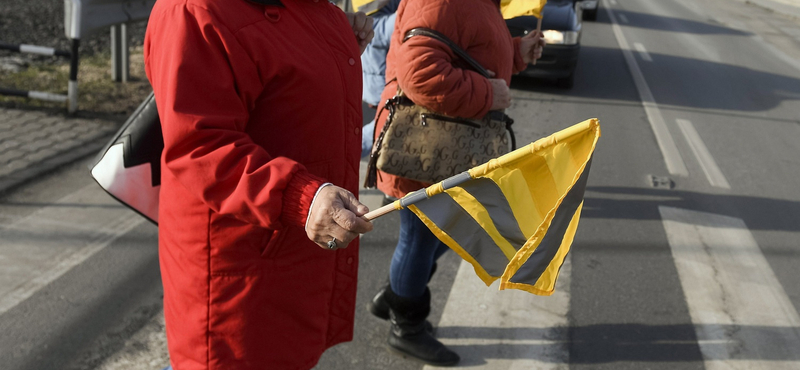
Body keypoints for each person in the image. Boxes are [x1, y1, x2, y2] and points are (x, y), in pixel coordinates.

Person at [143, 0, 375, 368]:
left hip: (288, 254)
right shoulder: (194, 11)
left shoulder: (309, 9)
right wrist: (301, 196)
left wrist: (324, 42)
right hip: (240, 262)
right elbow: (201, 146)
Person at [366, 0, 545, 365]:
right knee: (421, 237)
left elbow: (467, 48)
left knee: (444, 232)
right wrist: (488, 95)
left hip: (446, 147)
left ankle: (398, 295)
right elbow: (420, 74)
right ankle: (406, 325)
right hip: (424, 148)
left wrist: (516, 51)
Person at [359, 0, 401, 158]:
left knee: (383, 133)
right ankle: (344, 151)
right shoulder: (375, 20)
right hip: (382, 89)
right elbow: (397, 23)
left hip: (379, 86)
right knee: (381, 130)